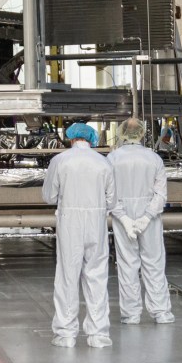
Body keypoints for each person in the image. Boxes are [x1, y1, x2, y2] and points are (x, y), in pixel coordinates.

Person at [44, 123, 116, 349]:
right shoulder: (104, 162)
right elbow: (112, 201)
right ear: (91, 138)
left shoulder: (60, 160)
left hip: (70, 223)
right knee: (97, 276)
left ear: (71, 138)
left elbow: (48, 196)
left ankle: (66, 334)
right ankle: (98, 335)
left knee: (67, 276)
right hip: (96, 221)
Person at [108, 118, 175, 325]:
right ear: (142, 133)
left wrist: (125, 219)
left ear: (121, 133)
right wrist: (147, 217)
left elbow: (109, 195)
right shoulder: (154, 159)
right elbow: (161, 195)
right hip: (151, 218)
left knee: (128, 264)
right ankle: (161, 312)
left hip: (123, 217)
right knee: (154, 263)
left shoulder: (112, 159)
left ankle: (131, 314)